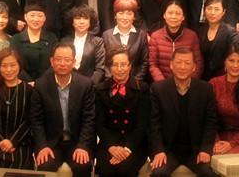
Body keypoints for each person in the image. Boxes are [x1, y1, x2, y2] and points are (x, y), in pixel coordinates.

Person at [30, 42, 97, 177]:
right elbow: (36, 120)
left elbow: (89, 119)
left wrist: (83, 145)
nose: (62, 64)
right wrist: (43, 146)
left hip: (77, 141)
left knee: (82, 165)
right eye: (58, 59)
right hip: (52, 143)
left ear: (74, 62)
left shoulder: (85, 85)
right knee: (46, 165)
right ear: (51, 61)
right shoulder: (41, 85)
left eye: (67, 60)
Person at [149, 47, 218, 177]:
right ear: (171, 65)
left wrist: (205, 149)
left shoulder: (205, 89)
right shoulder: (159, 89)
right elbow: (153, 123)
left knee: (208, 173)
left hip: (195, 149)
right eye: (179, 62)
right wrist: (159, 150)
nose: (182, 67)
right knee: (159, 173)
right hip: (169, 150)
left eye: (187, 63)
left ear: (194, 67)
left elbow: (211, 122)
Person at [95, 46, 150, 177]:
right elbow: (99, 124)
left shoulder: (142, 89)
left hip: (134, 145)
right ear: (109, 67)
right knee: (106, 170)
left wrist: (127, 149)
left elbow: (142, 125)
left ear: (130, 66)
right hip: (109, 143)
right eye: (115, 65)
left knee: (125, 170)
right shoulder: (101, 89)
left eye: (123, 64)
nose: (119, 69)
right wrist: (111, 147)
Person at [149, 0, 203, 81]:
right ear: (164, 15)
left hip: (187, 84)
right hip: (162, 84)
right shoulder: (156, 37)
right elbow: (153, 65)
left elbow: (198, 63)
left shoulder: (192, 36)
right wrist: (163, 84)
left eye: (178, 14)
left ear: (183, 17)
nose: (173, 17)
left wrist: (188, 83)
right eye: (170, 13)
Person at [102, 0, 149, 81]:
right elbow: (104, 62)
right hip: (112, 82)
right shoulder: (106, 35)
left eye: (129, 14)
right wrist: (112, 80)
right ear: (115, 15)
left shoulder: (141, 35)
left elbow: (144, 62)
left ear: (134, 16)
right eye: (121, 13)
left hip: (135, 82)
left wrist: (134, 82)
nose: (125, 17)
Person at [11, 2, 58, 82]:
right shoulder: (16, 39)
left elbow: (55, 62)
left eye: (40, 16)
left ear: (45, 18)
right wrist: (28, 81)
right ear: (25, 17)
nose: (36, 19)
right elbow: (13, 63)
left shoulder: (52, 38)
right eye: (32, 15)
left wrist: (39, 83)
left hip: (47, 82)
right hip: (22, 82)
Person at [197, 0, 239, 81]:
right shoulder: (200, 32)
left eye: (217, 9)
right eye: (209, 8)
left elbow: (233, 57)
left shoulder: (230, 32)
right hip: (202, 78)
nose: (212, 13)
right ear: (204, 10)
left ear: (223, 12)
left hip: (223, 78)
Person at [62, 5, 106, 84]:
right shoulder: (64, 42)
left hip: (90, 85)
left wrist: (89, 86)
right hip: (66, 84)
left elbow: (100, 70)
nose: (81, 22)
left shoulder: (98, 42)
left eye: (85, 18)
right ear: (72, 22)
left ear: (90, 22)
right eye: (78, 18)